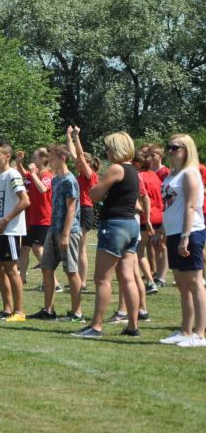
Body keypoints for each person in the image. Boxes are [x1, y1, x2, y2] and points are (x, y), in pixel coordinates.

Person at [72, 131, 143, 339]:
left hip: (114, 226)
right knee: (127, 277)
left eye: (108, 148)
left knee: (102, 279)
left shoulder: (116, 169)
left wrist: (99, 186)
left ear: (117, 149)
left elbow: (94, 194)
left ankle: (96, 327)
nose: (107, 152)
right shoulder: (133, 171)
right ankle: (133, 326)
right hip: (131, 225)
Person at [157, 134, 206, 347]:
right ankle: (185, 331)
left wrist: (185, 237)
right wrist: (163, 230)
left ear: (187, 150)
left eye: (175, 147)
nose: (170, 151)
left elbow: (190, 206)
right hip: (174, 232)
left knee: (195, 283)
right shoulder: (172, 174)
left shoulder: (190, 174)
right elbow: (171, 207)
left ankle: (200, 334)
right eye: (168, 146)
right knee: (182, 285)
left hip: (190, 232)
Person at [34, 145, 83, 322]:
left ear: (62, 159)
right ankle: (49, 311)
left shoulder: (70, 180)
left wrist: (65, 235)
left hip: (68, 232)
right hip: (53, 230)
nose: (50, 161)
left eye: (53, 158)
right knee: (46, 268)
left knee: (71, 271)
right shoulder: (56, 180)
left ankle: (77, 313)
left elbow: (71, 209)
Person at [0, 140, 29, 321]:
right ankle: (7, 309)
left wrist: (6, 220)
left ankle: (19, 312)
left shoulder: (13, 174)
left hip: (9, 230)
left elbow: (25, 201)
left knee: (11, 269)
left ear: (7, 156)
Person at [68, 126, 98, 289]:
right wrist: (69, 136)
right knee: (76, 246)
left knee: (81, 248)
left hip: (86, 210)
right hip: (78, 210)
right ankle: (78, 280)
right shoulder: (80, 175)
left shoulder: (90, 175)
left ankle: (83, 282)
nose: (77, 163)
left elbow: (79, 154)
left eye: (81, 162)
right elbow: (74, 153)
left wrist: (77, 136)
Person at [20, 147, 53, 289]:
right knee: (24, 249)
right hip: (32, 218)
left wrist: (33, 173)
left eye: (35, 157)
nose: (32, 159)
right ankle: (21, 279)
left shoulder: (47, 175)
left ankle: (54, 282)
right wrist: (19, 162)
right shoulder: (34, 174)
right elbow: (23, 173)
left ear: (43, 159)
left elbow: (43, 189)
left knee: (38, 248)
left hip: (43, 218)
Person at [136, 146, 165, 294]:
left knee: (139, 251)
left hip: (146, 218)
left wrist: (145, 217)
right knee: (159, 247)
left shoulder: (139, 176)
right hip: (160, 216)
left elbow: (144, 198)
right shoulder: (154, 175)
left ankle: (151, 282)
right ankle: (160, 277)